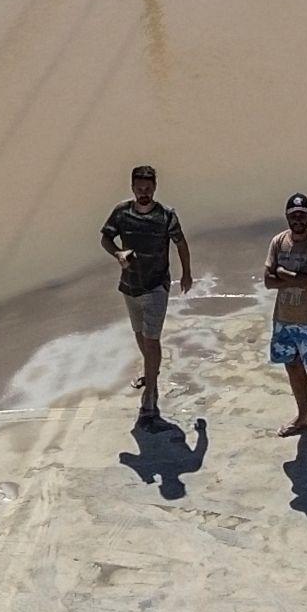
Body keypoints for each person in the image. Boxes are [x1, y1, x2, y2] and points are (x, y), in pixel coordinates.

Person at [101, 165, 192, 427]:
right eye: (139, 189)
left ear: (155, 188)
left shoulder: (166, 216)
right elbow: (105, 238)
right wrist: (117, 253)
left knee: (152, 341)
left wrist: (186, 273)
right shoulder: (121, 212)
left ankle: (150, 395)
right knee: (140, 336)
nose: (144, 193)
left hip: (156, 286)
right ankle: (151, 370)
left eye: (148, 189)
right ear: (132, 188)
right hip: (130, 285)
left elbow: (181, 243)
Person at [264, 193, 307, 451]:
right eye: (293, 215)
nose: (298, 220)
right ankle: (303, 416)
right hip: (284, 320)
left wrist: (284, 274)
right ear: (287, 216)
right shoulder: (278, 242)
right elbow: (268, 281)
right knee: (293, 368)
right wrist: (294, 276)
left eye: (302, 215)